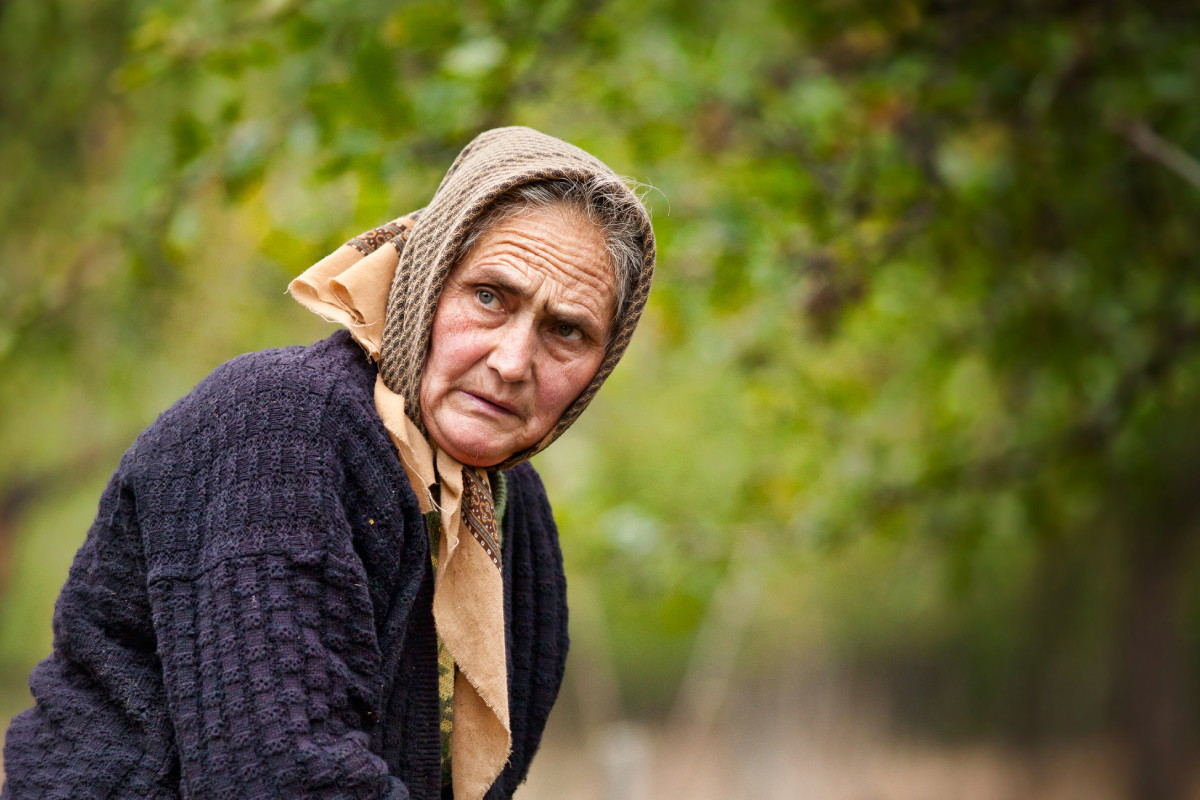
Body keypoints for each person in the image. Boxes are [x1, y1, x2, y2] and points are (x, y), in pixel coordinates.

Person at [1, 127, 656, 800]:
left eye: (566, 331)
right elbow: (280, 777)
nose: (514, 362)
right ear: (426, 283)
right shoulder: (281, 429)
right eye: (490, 297)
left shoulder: (511, 512)